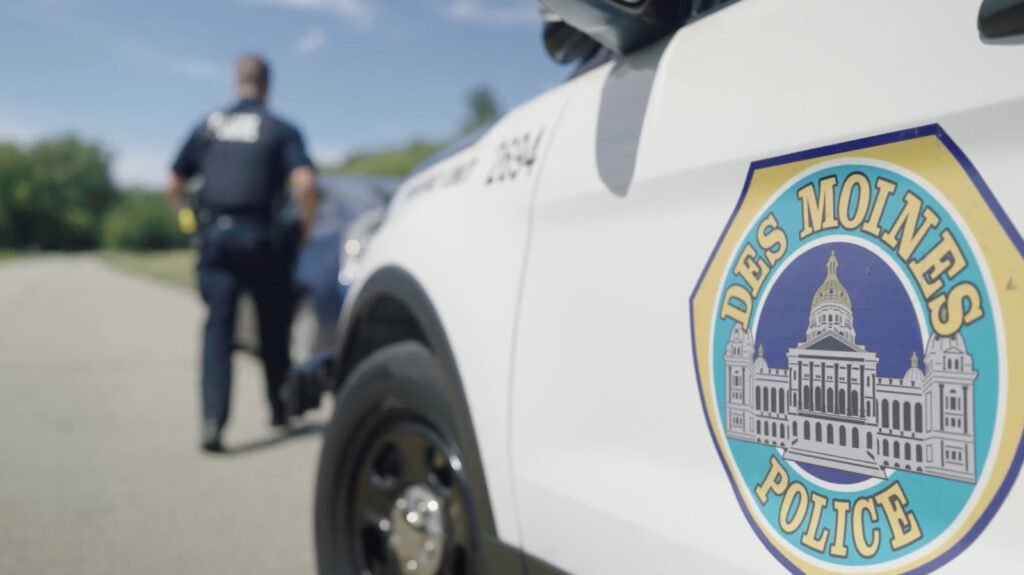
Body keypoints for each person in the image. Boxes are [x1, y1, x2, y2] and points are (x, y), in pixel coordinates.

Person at [166, 54, 318, 452]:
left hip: (216, 238)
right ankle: (280, 408)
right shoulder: (280, 128)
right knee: (273, 329)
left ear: (238, 82)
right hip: (263, 241)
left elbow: (174, 184)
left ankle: (213, 422)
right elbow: (305, 185)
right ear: (268, 86)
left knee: (219, 329)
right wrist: (302, 230)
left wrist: (190, 224)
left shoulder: (210, 125)